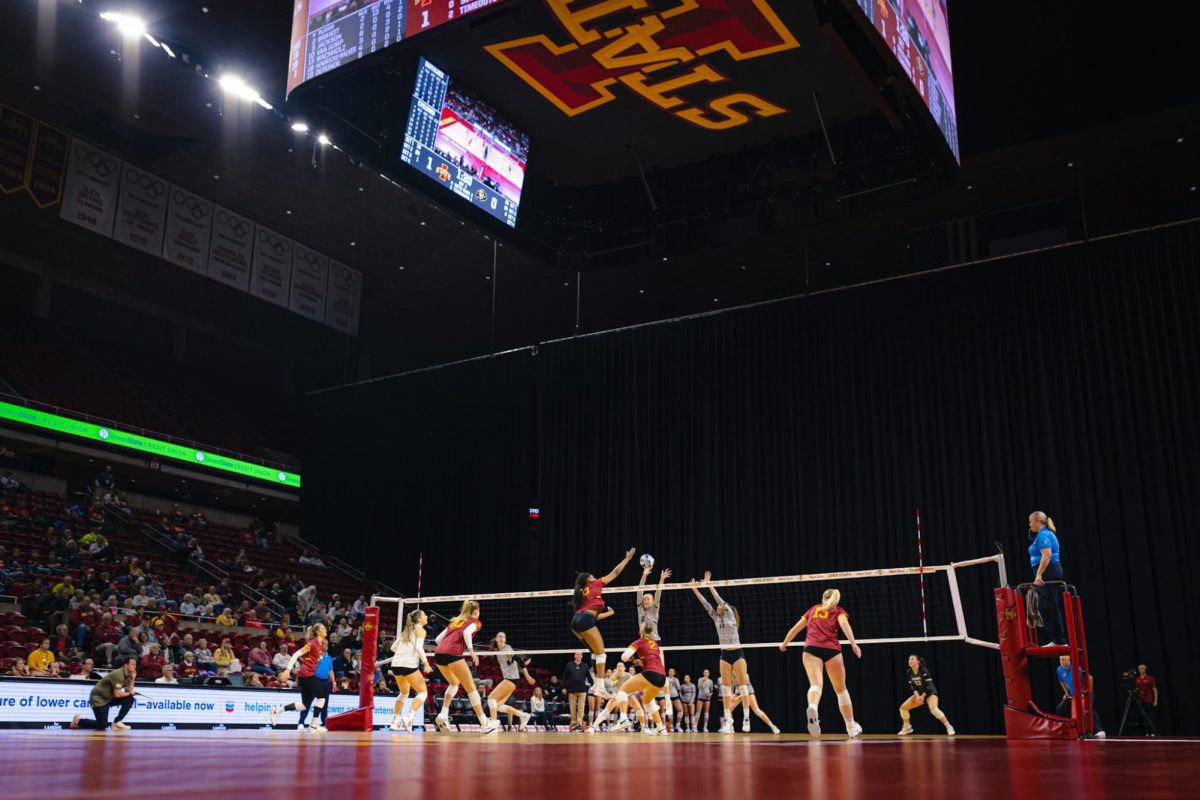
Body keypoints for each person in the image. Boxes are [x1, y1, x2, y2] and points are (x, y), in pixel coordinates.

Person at [780, 587, 863, 739]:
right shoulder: (838, 611)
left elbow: (796, 628)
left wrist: (784, 643)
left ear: (822, 597)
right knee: (841, 690)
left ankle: (812, 707)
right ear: (836, 600)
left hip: (811, 648)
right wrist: (853, 644)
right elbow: (844, 625)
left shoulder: (813, 609)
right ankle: (851, 727)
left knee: (816, 685)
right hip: (831, 649)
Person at [570, 548, 636, 692]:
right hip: (585, 620)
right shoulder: (595, 583)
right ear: (589, 579)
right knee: (601, 654)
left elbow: (594, 616)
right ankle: (600, 687)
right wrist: (627, 559)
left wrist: (609, 614)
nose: (595, 576)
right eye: (593, 575)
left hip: (576, 621)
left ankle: (595, 684)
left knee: (594, 652)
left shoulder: (584, 593)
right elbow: (616, 573)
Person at [690, 571, 748, 733]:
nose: (718, 606)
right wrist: (695, 589)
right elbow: (706, 604)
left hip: (737, 652)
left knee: (743, 687)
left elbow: (717, 599)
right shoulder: (716, 618)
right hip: (725, 654)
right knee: (726, 689)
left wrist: (709, 584)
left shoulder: (729, 614)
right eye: (718, 606)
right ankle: (729, 721)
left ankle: (746, 718)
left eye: (721, 605)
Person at [431, 600, 495, 733]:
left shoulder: (454, 621)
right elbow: (466, 633)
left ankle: (443, 714)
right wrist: (472, 653)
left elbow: (437, 639)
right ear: (476, 611)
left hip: (438, 653)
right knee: (471, 688)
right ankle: (484, 724)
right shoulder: (475, 622)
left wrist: (446, 648)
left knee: (454, 683)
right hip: (452, 653)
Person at [605, 622, 669, 735]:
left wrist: (629, 658)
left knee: (622, 690)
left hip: (651, 674)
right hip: (662, 677)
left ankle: (624, 719)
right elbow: (653, 659)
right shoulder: (654, 643)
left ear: (641, 631)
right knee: (647, 701)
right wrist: (641, 662)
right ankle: (661, 728)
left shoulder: (639, 641)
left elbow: (623, 657)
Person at [269, 622, 329, 732]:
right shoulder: (312, 644)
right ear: (318, 632)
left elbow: (312, 658)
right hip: (307, 674)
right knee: (321, 697)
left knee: (304, 705)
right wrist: (287, 670)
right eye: (323, 628)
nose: (326, 630)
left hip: (306, 675)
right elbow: (296, 654)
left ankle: (277, 710)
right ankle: (313, 725)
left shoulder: (320, 645)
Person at [384, 609, 433, 732]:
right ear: (420, 619)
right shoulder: (420, 630)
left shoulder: (406, 631)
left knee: (404, 693)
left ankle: (395, 722)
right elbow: (418, 648)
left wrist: (404, 651)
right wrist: (426, 664)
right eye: (424, 615)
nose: (426, 616)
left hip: (396, 665)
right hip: (408, 665)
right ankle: (409, 717)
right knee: (423, 692)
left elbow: (393, 647)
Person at [637, 565, 673, 727]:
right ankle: (649, 706)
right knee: (647, 674)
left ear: (652, 602)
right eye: (645, 599)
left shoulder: (654, 609)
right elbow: (639, 590)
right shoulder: (640, 609)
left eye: (648, 599)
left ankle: (668, 702)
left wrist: (661, 580)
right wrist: (644, 575)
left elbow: (658, 593)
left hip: (656, 642)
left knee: (661, 670)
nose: (646, 600)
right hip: (643, 644)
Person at [1029, 511, 1067, 645]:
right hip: (1049, 570)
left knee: (1049, 605)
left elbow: (1047, 555)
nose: (1029, 525)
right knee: (1046, 605)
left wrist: (1039, 574)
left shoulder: (1044, 534)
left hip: (1048, 570)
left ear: (1037, 521)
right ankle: (1057, 639)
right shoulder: (1044, 534)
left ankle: (1060, 640)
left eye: (1030, 522)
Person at [71, 656, 137, 730]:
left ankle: (117, 722)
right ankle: (78, 721)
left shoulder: (128, 675)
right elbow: (117, 694)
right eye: (133, 664)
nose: (135, 666)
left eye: (135, 664)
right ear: (126, 665)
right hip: (99, 698)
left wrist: (133, 678)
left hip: (109, 697)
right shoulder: (118, 674)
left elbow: (129, 691)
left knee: (130, 699)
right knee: (102, 725)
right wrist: (130, 693)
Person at [897, 655, 955, 735]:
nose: (910, 661)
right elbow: (913, 687)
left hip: (930, 693)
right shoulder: (909, 672)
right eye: (909, 659)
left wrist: (923, 696)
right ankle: (907, 728)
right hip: (919, 694)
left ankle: (949, 726)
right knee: (903, 708)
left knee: (933, 709)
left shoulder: (924, 671)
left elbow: (929, 686)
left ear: (918, 662)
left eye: (912, 659)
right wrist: (918, 696)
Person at [489, 632, 535, 730]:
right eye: (499, 636)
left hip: (511, 679)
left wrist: (528, 677)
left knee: (491, 698)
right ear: (496, 639)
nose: (502, 638)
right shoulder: (498, 651)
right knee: (497, 706)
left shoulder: (507, 649)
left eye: (503, 636)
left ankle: (493, 723)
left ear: (505, 639)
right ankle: (523, 715)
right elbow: (512, 664)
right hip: (512, 680)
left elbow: (519, 660)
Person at [1057, 655, 1105, 737]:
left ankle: (1100, 731)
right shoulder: (1059, 669)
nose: (1062, 662)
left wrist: (1087, 693)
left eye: (1064, 660)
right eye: (1060, 660)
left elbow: (1090, 678)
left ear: (1069, 660)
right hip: (1073, 694)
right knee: (1060, 709)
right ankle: (1069, 729)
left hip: (1085, 692)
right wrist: (1066, 693)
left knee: (1088, 708)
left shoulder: (1076, 668)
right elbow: (1062, 681)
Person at [562, 651, 593, 731]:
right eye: (577, 654)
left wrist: (593, 685)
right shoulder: (569, 665)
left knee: (581, 708)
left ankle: (579, 725)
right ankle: (573, 724)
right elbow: (564, 677)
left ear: (582, 656)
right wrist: (563, 687)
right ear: (574, 656)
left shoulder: (585, 666)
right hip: (572, 690)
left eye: (580, 654)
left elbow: (589, 677)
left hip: (582, 690)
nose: (578, 656)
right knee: (572, 708)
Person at [667, 667, 684, 732]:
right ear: (668, 672)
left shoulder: (676, 679)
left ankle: (677, 725)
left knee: (680, 710)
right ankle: (671, 726)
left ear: (674, 673)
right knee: (670, 711)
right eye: (670, 671)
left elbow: (679, 688)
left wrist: (675, 681)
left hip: (676, 696)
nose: (671, 673)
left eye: (672, 672)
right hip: (669, 697)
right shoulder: (666, 679)